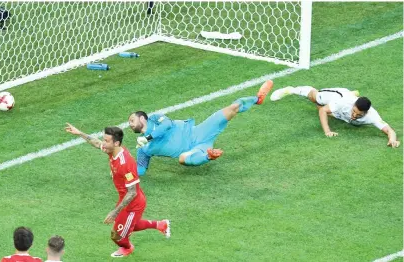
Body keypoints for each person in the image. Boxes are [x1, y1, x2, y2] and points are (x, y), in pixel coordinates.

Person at [65, 124, 170, 258]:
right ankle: (161, 224)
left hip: (134, 203)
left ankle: (128, 248)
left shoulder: (125, 163)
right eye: (104, 139)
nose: (103, 143)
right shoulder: (111, 150)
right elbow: (96, 143)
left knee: (117, 236)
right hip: (125, 200)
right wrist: (79, 132)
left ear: (116, 143)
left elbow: (132, 192)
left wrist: (115, 212)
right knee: (130, 225)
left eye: (107, 141)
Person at [128, 80, 274, 176]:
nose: (130, 124)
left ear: (142, 118)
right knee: (182, 159)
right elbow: (139, 170)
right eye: (129, 123)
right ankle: (209, 156)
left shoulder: (155, 118)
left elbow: (167, 126)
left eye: (132, 120)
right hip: (193, 149)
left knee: (233, 108)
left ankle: (257, 99)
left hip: (199, 131)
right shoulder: (143, 149)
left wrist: (148, 138)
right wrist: (121, 172)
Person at [270, 85, 400, 147]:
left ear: (365, 113)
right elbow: (323, 112)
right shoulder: (343, 102)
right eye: (354, 111)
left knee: (321, 109)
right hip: (338, 95)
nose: (354, 115)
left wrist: (392, 140)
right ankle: (290, 90)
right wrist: (328, 131)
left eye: (358, 115)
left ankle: (352, 92)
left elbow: (389, 130)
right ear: (353, 104)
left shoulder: (372, 115)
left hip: (340, 114)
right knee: (316, 99)